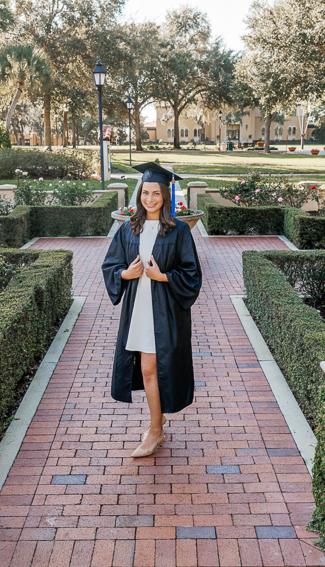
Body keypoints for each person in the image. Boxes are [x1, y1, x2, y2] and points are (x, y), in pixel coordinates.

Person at [101, 162, 202, 458]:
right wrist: (124, 274)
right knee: (147, 369)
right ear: (139, 195)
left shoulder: (178, 231)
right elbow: (111, 264)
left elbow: (192, 273)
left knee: (154, 368)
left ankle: (155, 429)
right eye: (145, 193)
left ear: (165, 196)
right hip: (138, 309)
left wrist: (163, 276)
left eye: (156, 193)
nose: (150, 199)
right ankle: (157, 422)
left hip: (166, 310)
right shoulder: (129, 228)